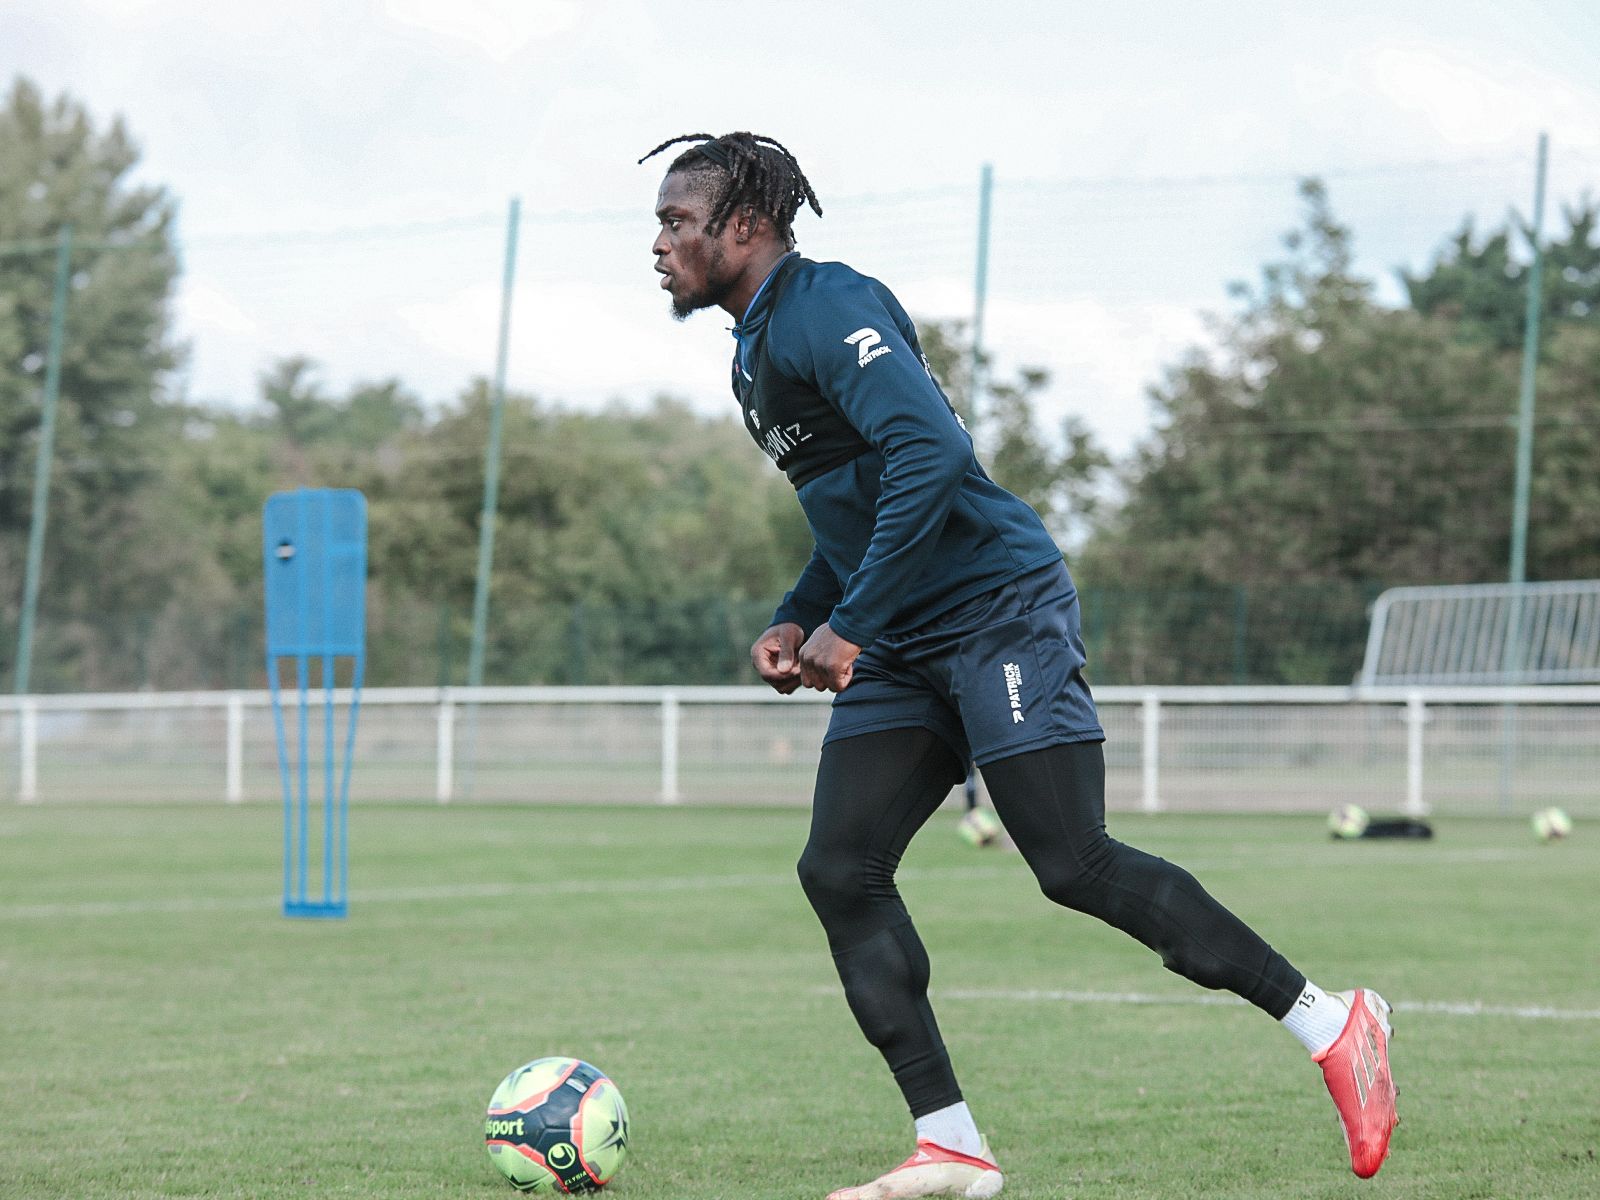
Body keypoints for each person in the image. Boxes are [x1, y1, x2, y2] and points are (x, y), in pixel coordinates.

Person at [642, 131, 1398, 1198]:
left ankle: (1332, 1020)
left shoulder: (824, 303)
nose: (661, 245)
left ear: (746, 226)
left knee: (1070, 862)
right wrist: (800, 612)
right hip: (903, 635)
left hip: (997, 609)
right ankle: (950, 1145)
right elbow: (855, 508)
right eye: (660, 225)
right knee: (838, 870)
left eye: (678, 222)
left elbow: (934, 457)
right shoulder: (753, 351)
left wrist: (846, 624)